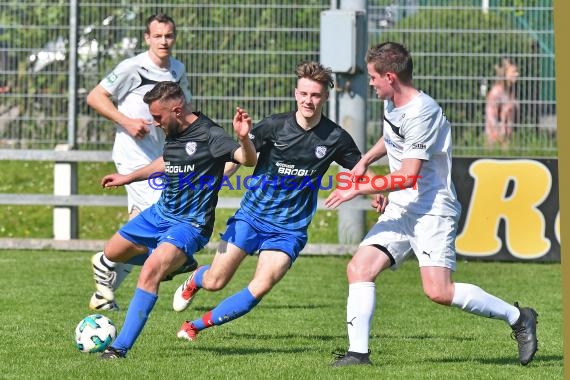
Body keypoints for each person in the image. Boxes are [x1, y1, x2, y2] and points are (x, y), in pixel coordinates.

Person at [324, 42, 538, 367]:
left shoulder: (423, 111)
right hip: (401, 207)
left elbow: (409, 175)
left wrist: (361, 188)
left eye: (372, 77)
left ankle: (518, 317)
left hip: (431, 210)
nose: (369, 83)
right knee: (359, 269)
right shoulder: (393, 103)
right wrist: (365, 159)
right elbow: (394, 135)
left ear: (390, 77)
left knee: (439, 292)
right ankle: (358, 355)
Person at [171, 61, 363, 342]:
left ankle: (195, 326)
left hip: (290, 230)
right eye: (304, 94)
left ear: (325, 97)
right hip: (249, 217)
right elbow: (240, 158)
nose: (309, 101)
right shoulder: (274, 126)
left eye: (316, 95)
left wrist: (373, 192)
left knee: (259, 288)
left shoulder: (335, 137)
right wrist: (214, 180)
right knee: (215, 281)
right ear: (296, 93)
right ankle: (196, 279)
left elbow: (359, 170)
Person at [98, 81, 257, 359]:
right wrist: (128, 176)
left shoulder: (210, 135)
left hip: (189, 224)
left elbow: (246, 159)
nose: (154, 122)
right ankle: (179, 264)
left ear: (177, 110)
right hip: (160, 213)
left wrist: (243, 138)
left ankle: (118, 348)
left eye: (158, 116)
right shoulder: (174, 130)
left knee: (149, 272)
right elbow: (166, 161)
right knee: (112, 252)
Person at [85, 13, 192, 311]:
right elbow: (95, 97)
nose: (164, 41)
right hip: (133, 155)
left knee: (141, 226)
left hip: (161, 157)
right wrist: (127, 121)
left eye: (169, 35)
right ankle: (106, 261)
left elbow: (185, 109)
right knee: (160, 221)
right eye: (157, 36)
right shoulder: (132, 67)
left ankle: (104, 290)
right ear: (147, 38)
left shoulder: (178, 70)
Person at [485, 58, 519, 147]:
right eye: (513, 72)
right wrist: (501, 140)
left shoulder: (510, 91)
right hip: (496, 142)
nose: (517, 74)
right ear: (505, 73)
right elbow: (492, 119)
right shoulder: (496, 92)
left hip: (507, 140)